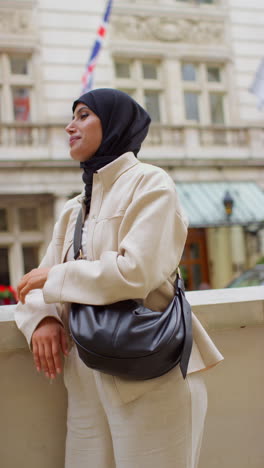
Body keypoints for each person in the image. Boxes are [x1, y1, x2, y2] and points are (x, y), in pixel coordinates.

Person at [15, 88, 223, 468]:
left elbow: (135, 272)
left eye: (82, 116)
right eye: (72, 117)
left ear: (113, 124)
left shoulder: (151, 184)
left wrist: (56, 278)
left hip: (151, 374)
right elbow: (35, 286)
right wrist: (42, 319)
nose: (69, 127)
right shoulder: (74, 209)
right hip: (85, 385)